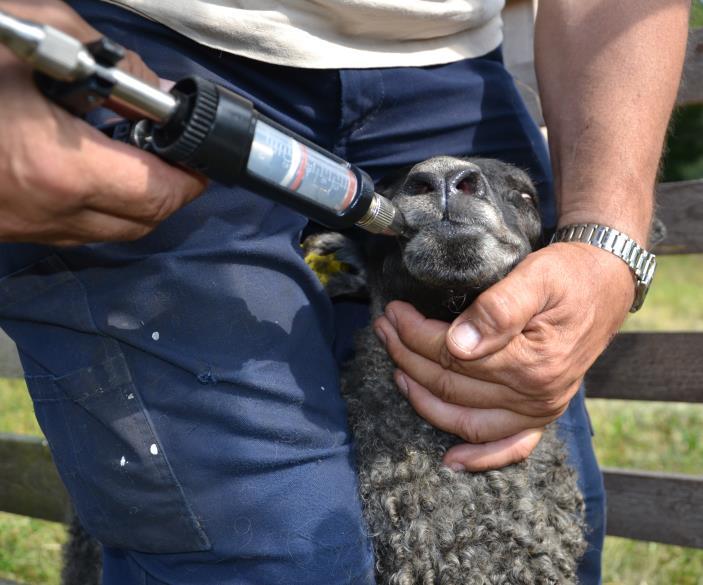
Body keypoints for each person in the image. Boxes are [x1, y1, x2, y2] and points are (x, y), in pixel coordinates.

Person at [0, 1, 689, 584]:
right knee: (271, 547)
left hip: (446, 66)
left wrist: (608, 242)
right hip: (144, 57)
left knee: (534, 530)